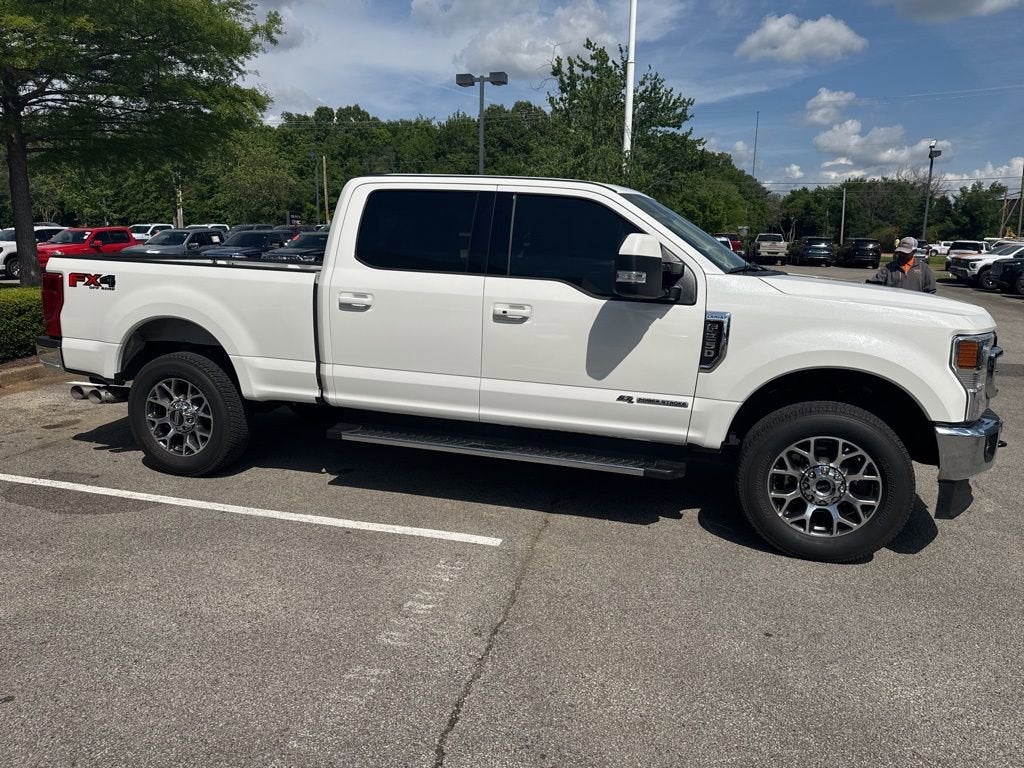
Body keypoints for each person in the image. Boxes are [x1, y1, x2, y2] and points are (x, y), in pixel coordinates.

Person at [867, 236, 937, 293]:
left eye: (906, 253)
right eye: (900, 251)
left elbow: (931, 290)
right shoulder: (889, 268)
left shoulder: (924, 269)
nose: (902, 254)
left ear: (914, 252)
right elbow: (875, 284)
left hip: (915, 307)